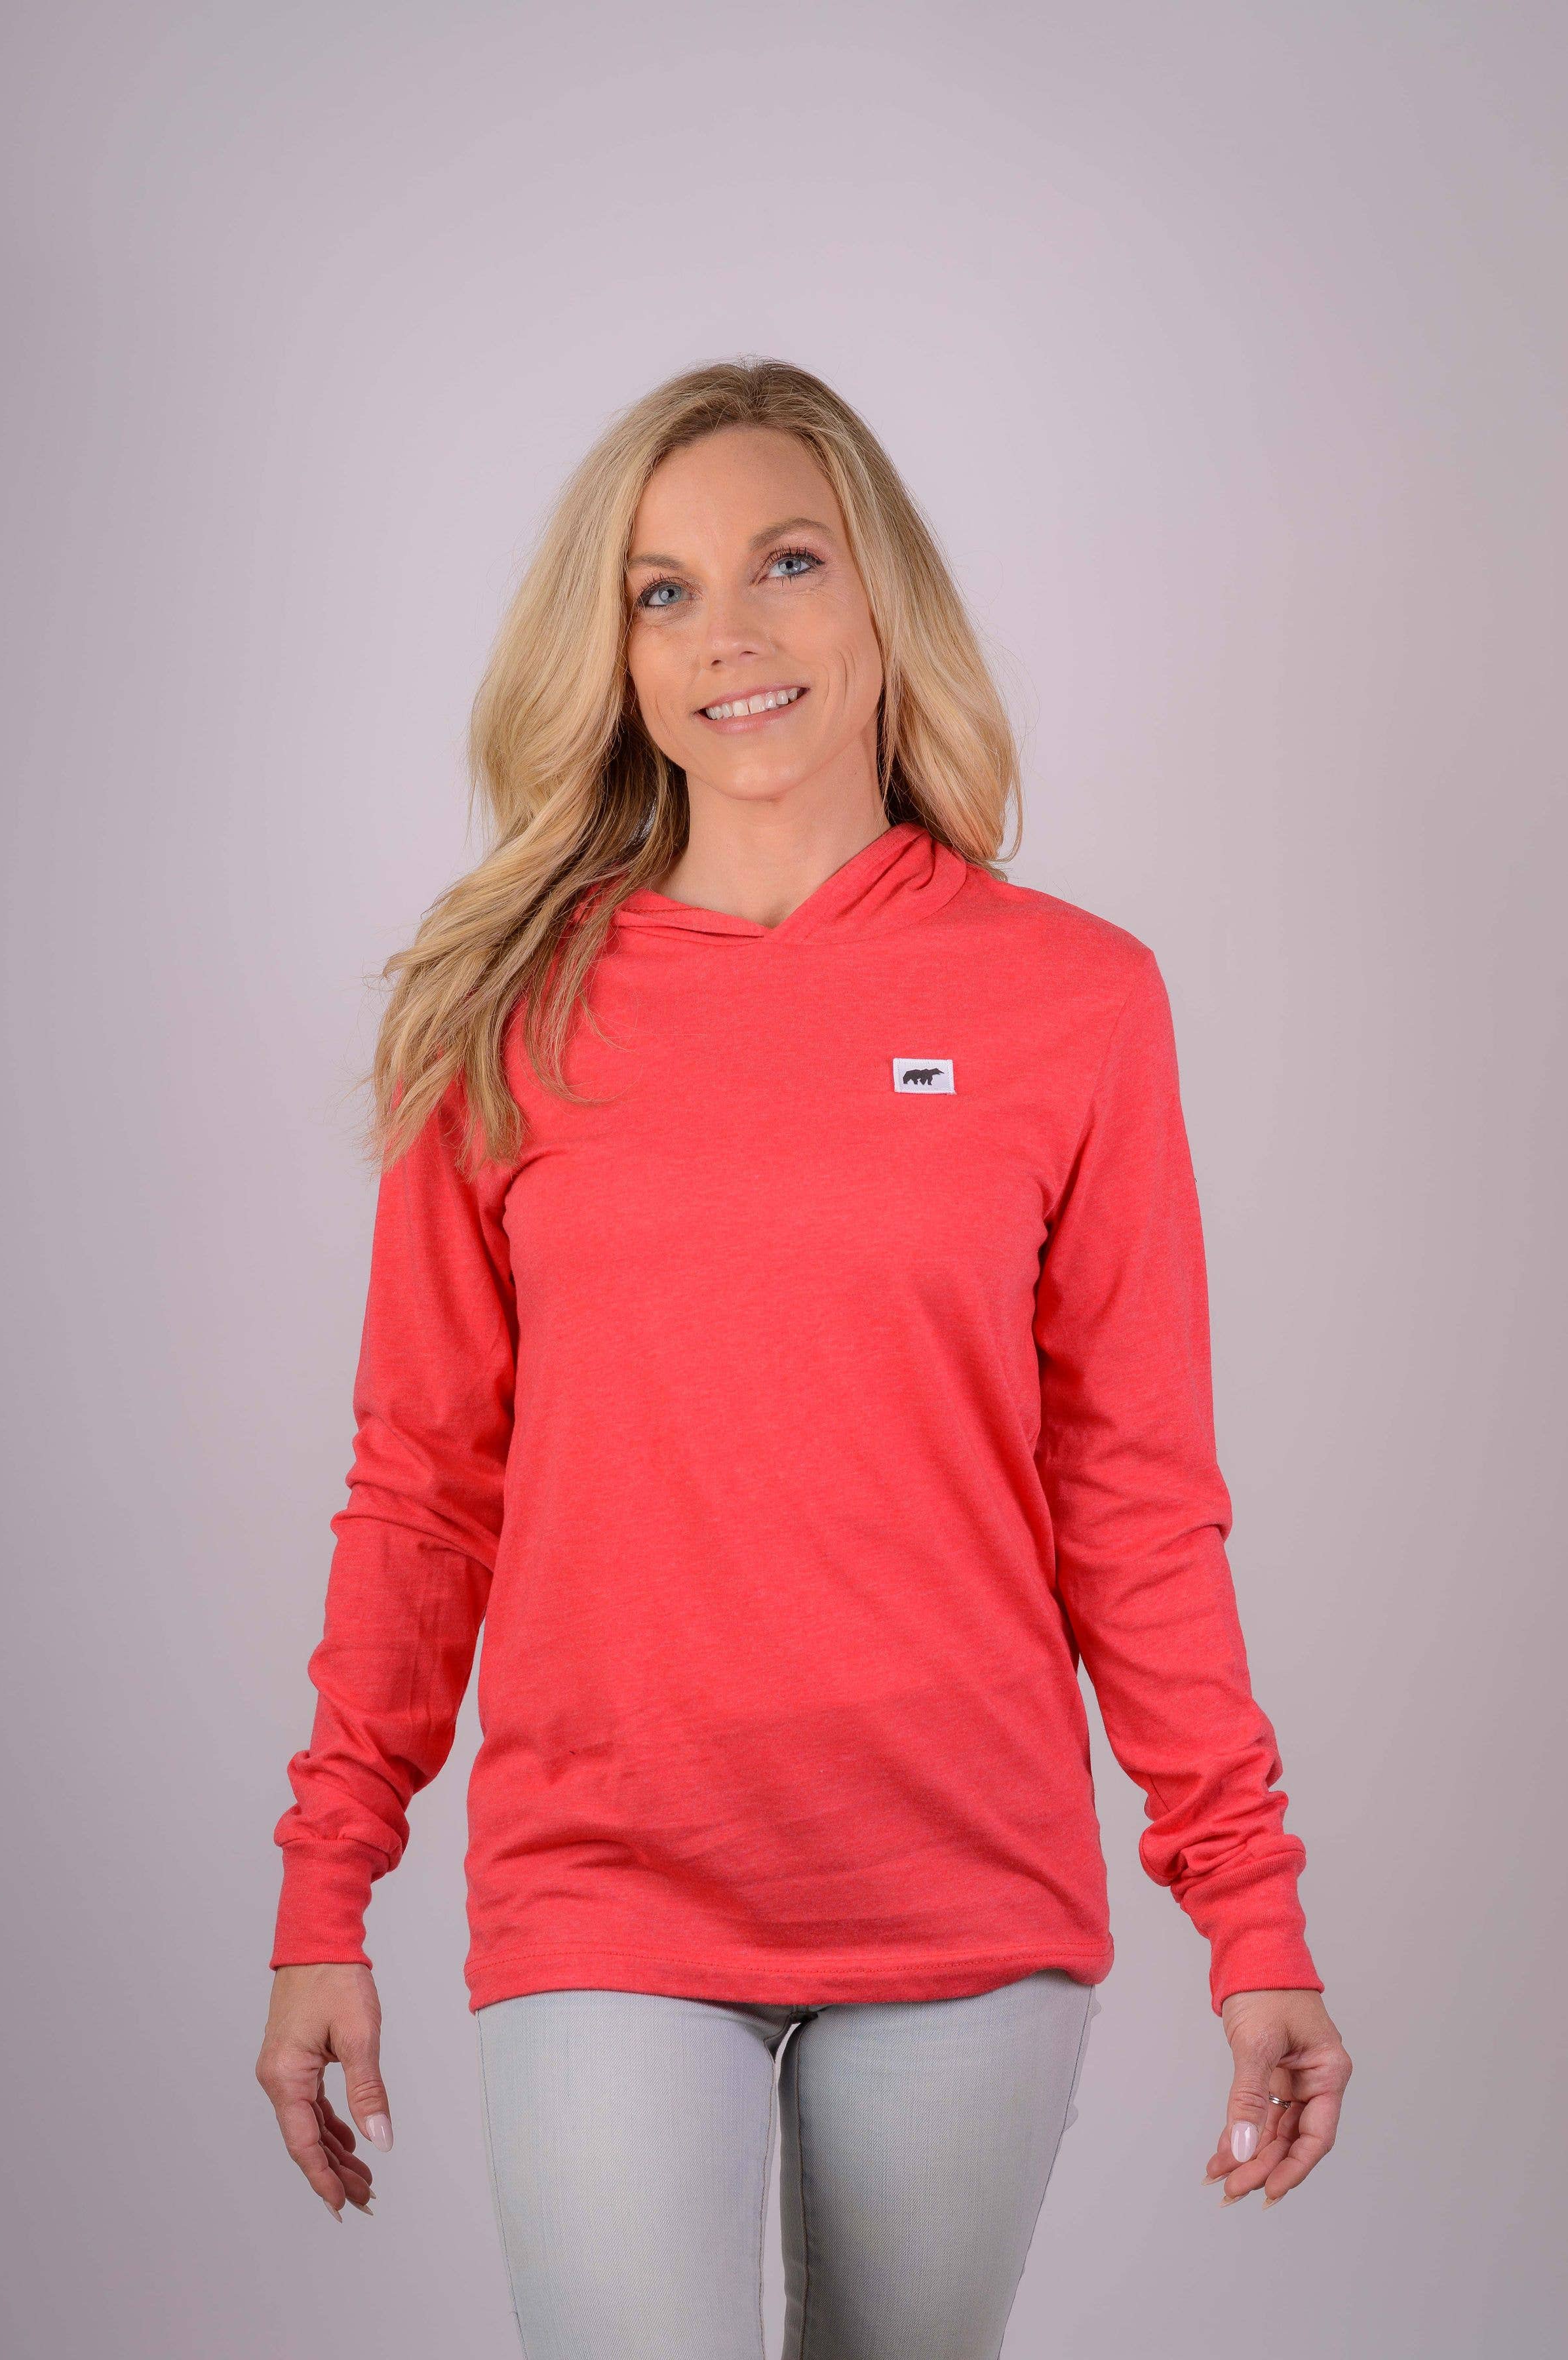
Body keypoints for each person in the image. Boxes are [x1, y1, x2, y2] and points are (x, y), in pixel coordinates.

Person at [256, 358, 1351, 2359]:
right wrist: (327, 1883)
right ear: (611, 654)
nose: (727, 634)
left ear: (879, 597)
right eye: (660, 592)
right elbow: (421, 1483)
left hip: (962, 1884)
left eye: (784, 563)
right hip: (602, 1882)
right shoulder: (502, 1009)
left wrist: (1249, 1909)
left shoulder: (1074, 1000)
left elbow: (1131, 1495)